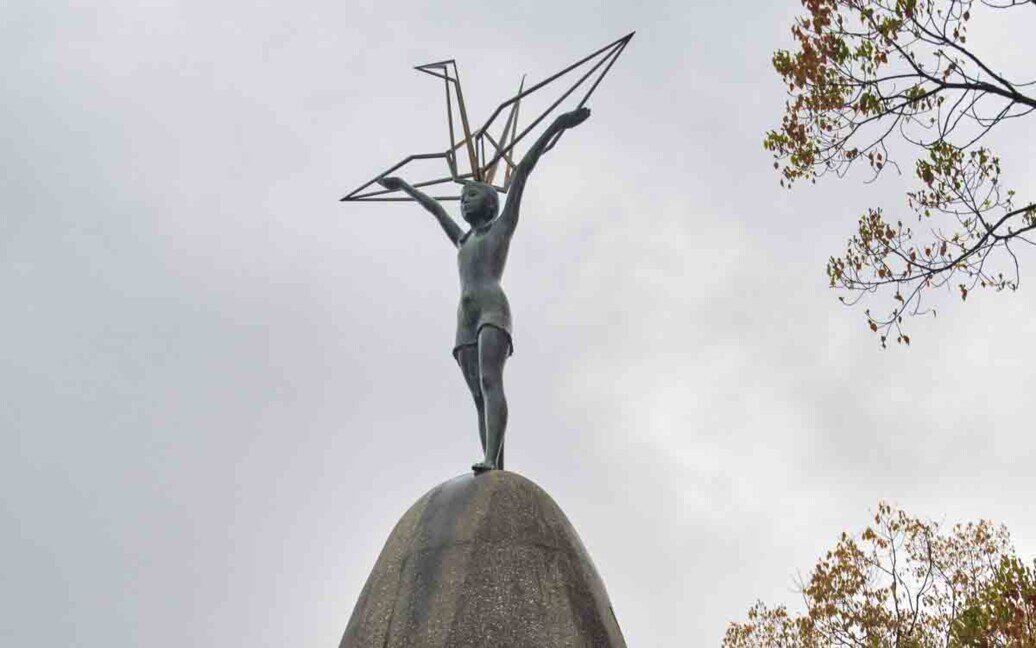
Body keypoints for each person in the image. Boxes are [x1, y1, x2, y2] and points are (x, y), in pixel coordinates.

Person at [377, 106, 591, 473]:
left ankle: (492, 459)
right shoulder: (462, 239)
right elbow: (433, 210)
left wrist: (557, 124)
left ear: (490, 202)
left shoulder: (501, 228)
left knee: (492, 381)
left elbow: (523, 169)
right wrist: (405, 187)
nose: (463, 202)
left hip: (492, 309)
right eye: (461, 199)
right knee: (477, 395)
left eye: (471, 196)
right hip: (464, 318)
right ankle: (495, 464)